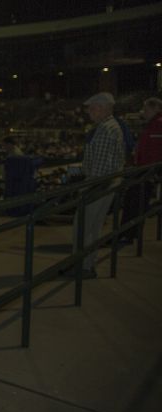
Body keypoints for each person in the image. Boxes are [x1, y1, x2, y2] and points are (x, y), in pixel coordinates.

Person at [67, 92, 125, 279]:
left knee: (83, 226)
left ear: (102, 108)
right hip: (108, 183)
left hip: (98, 184)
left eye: (92, 108)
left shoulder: (104, 130)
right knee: (93, 227)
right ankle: (86, 265)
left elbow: (98, 168)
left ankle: (82, 266)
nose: (89, 112)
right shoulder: (112, 126)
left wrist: (87, 188)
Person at [120, 97, 162, 243]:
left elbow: (156, 153)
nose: (144, 112)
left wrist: (153, 172)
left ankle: (128, 234)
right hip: (144, 170)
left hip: (146, 172)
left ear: (156, 108)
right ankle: (128, 233)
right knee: (134, 201)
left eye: (146, 109)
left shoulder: (158, 125)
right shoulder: (152, 124)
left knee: (135, 203)